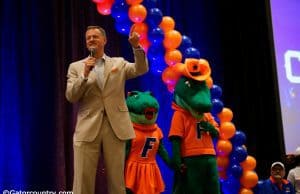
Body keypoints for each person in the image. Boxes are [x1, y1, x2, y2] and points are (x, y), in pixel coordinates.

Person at [65, 25, 148, 194]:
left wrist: (136, 47)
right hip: (87, 127)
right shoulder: (76, 67)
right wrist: (84, 75)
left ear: (104, 40)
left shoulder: (119, 63)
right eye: (88, 37)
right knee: (82, 181)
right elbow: (71, 96)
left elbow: (141, 69)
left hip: (115, 126)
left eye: (95, 36)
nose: (91, 40)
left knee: (117, 181)